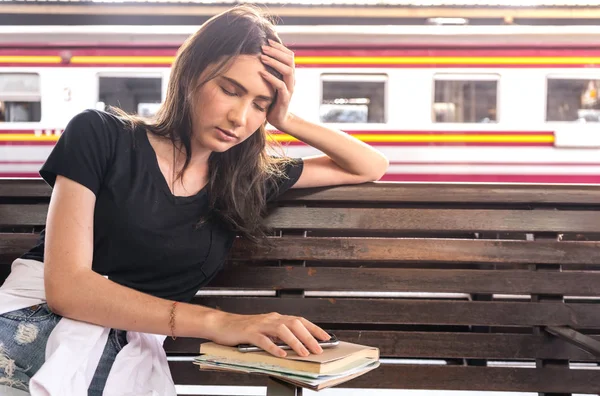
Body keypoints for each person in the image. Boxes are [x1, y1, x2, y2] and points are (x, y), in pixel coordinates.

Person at [0, 5, 389, 395]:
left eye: (259, 103)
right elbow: (67, 290)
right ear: (189, 76)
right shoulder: (100, 134)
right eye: (230, 90)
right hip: (32, 321)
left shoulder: (247, 179)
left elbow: (368, 165)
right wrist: (222, 323)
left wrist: (286, 119)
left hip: (128, 350)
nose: (240, 117)